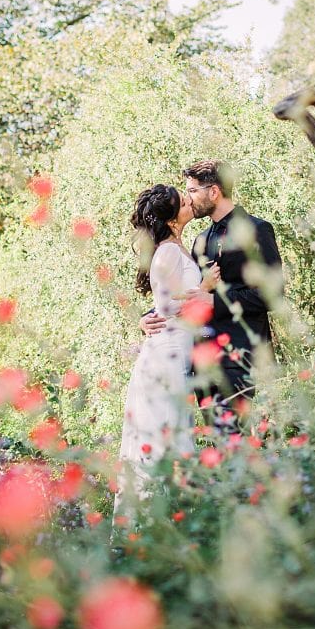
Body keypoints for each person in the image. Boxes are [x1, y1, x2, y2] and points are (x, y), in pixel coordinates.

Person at [142, 160, 283, 431]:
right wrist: (147, 318)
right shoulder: (200, 240)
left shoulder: (257, 229)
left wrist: (216, 301)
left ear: (214, 192)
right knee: (217, 452)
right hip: (201, 361)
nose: (188, 199)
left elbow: (272, 295)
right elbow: (185, 294)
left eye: (192, 191)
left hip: (239, 357)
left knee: (235, 445)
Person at [116, 183, 221, 515]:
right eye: (183, 199)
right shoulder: (167, 251)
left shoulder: (178, 248)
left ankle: (170, 518)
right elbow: (166, 306)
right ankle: (154, 519)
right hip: (165, 358)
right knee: (164, 437)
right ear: (173, 217)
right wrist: (204, 288)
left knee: (173, 434)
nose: (190, 200)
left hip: (176, 353)